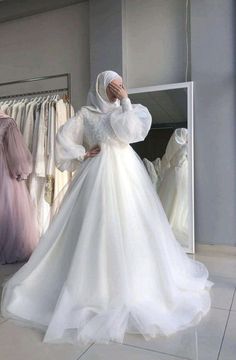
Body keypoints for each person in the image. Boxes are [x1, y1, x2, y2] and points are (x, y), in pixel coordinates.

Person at [1, 71, 213, 345]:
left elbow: (133, 132)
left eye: (120, 84)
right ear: (101, 87)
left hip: (127, 175)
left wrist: (125, 100)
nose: (117, 89)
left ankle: (137, 284)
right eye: (113, 86)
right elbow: (63, 139)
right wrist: (81, 153)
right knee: (95, 226)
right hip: (97, 174)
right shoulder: (86, 114)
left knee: (131, 225)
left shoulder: (129, 110)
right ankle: (92, 286)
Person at [0, 110, 39, 264]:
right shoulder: (7, 122)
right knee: (7, 209)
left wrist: (20, 169)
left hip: (3, 171)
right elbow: (16, 153)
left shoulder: (7, 122)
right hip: (4, 171)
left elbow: (15, 151)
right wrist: (21, 170)